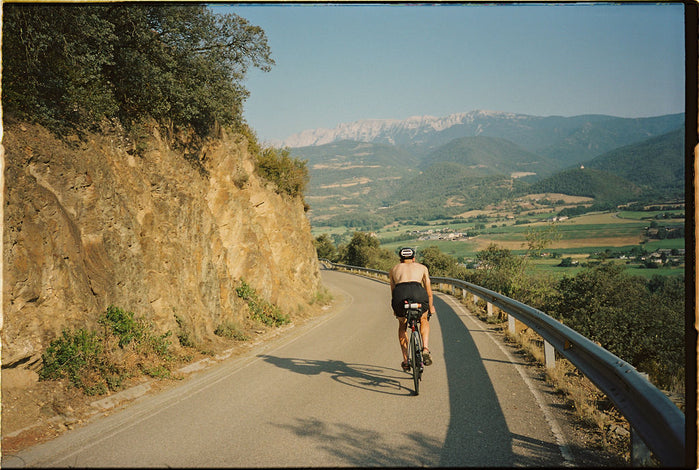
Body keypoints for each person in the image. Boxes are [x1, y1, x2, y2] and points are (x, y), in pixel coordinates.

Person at [389, 247, 436, 371]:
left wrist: (396, 308)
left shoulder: (394, 269)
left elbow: (393, 292)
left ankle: (405, 360)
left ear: (401, 259)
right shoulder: (422, 268)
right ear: (414, 258)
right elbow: (429, 291)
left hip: (400, 294)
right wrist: (430, 307)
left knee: (402, 324)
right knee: (424, 319)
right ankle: (425, 348)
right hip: (418, 293)